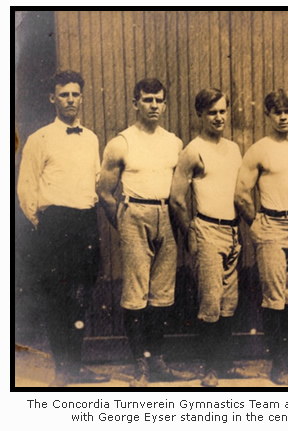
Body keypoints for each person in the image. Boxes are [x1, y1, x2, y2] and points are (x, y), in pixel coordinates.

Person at [17, 70, 109, 386]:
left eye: (75, 94)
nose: (70, 100)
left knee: (82, 296)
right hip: (54, 226)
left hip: (85, 222)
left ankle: (78, 365)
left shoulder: (93, 138)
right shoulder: (39, 138)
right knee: (58, 298)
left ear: (82, 97)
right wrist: (43, 225)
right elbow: (26, 188)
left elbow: (95, 182)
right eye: (64, 94)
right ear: (53, 98)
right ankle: (62, 370)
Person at [97, 78, 191, 387]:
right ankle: (140, 365)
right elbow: (105, 192)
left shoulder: (174, 142)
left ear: (165, 104)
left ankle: (158, 361)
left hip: (166, 215)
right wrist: (124, 224)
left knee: (161, 295)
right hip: (134, 213)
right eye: (147, 100)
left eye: (158, 100)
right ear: (135, 103)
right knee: (136, 295)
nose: (153, 105)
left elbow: (180, 190)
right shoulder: (121, 142)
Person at [234, 89, 288, 385]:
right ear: (267, 115)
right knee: (274, 298)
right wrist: (258, 225)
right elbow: (242, 193)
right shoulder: (259, 149)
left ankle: (286, 360)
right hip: (270, 224)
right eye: (276, 111)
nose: (283, 116)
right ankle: (277, 364)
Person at [170, 88, 242, 387]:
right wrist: (192, 233)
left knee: (229, 302)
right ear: (200, 115)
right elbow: (176, 198)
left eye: (223, 111)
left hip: (233, 231)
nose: (219, 117)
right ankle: (209, 368)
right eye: (212, 112)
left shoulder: (235, 148)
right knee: (210, 302)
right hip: (207, 229)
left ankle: (224, 364)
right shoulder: (193, 150)